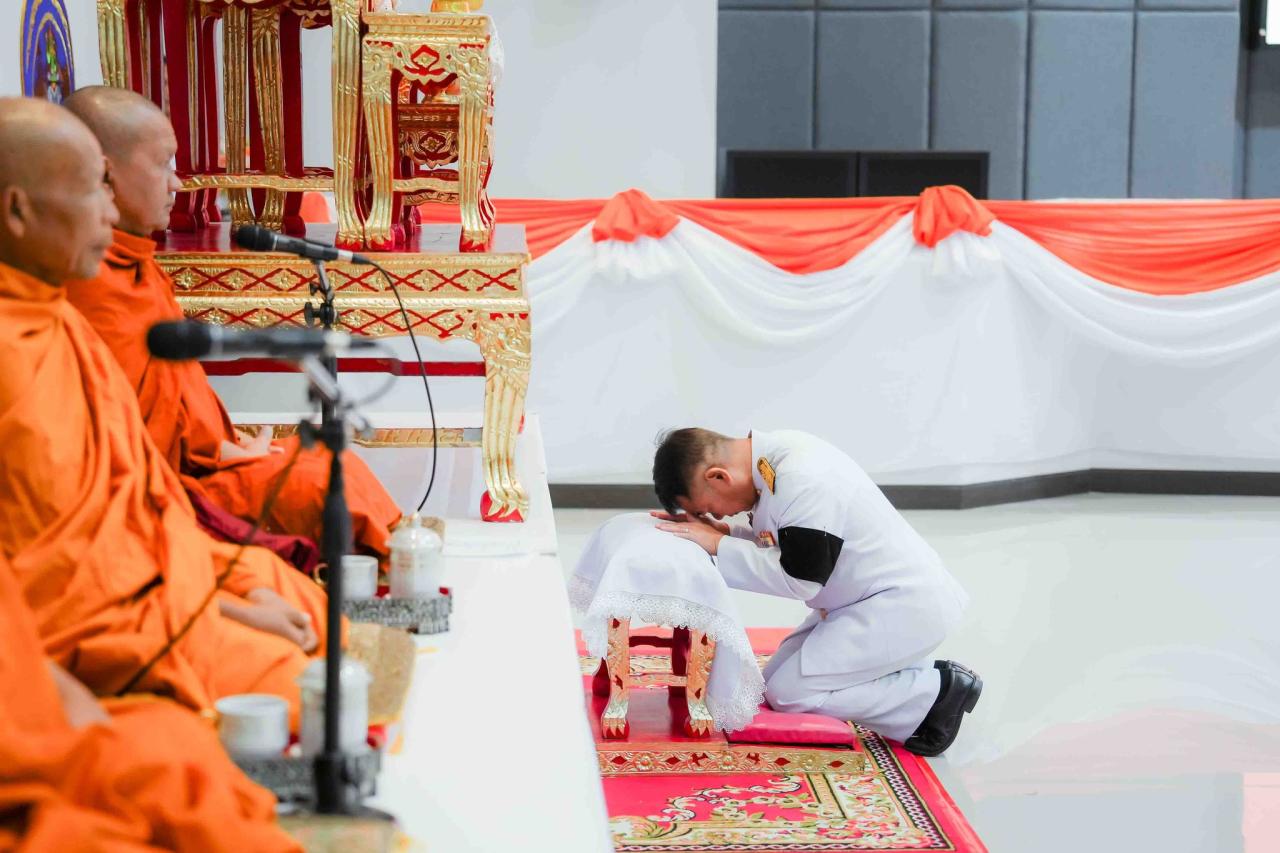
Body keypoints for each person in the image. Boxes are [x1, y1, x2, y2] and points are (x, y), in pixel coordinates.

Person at [0, 96, 323, 723]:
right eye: (92, 190)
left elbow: (137, 502)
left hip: (153, 575)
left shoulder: (61, 325)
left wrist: (221, 588)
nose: (108, 210)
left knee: (299, 607)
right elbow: (68, 567)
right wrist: (215, 606)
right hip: (87, 626)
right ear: (17, 210)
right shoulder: (23, 351)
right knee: (294, 683)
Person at [63, 86, 401, 563]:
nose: (176, 184)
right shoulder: (84, 285)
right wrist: (224, 454)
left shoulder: (137, 264)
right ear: (104, 173)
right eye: (162, 165)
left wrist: (229, 443)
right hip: (157, 494)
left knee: (335, 465)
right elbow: (111, 444)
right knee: (324, 485)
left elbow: (176, 396)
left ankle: (375, 569)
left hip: (204, 465)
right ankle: (368, 575)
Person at [652, 427, 980, 755]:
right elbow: (787, 544)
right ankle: (906, 669)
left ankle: (935, 693)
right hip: (860, 601)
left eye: (707, 509)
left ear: (718, 476)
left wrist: (720, 545)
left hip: (901, 605)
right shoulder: (773, 459)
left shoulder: (803, 476)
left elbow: (801, 578)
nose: (717, 515)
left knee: (790, 694)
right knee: (769, 684)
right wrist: (727, 534)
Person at [0, 549, 300, 852]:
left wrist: (254, 593)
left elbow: (30, 660)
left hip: (168, 594)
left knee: (175, 737)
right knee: (289, 681)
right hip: (110, 623)